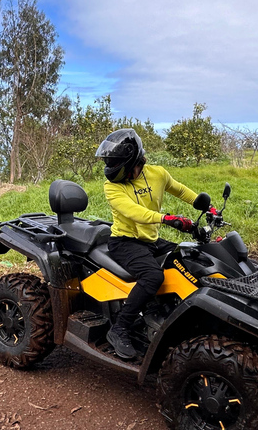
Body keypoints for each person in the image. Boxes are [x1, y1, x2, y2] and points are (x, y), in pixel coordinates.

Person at [95, 128, 199, 360]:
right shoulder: (112, 187)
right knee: (153, 276)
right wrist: (167, 219)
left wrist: (204, 206)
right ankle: (119, 329)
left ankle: (158, 310)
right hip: (124, 242)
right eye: (109, 160)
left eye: (114, 161)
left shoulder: (158, 174)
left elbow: (180, 190)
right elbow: (135, 212)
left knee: (188, 259)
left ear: (131, 159)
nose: (110, 165)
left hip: (151, 240)